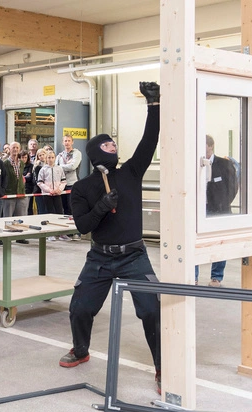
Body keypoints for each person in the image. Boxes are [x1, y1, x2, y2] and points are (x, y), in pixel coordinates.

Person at [63, 81, 163, 395]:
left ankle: (163, 368)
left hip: (134, 255)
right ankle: (81, 350)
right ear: (96, 152)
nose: (114, 147)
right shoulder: (82, 188)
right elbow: (82, 227)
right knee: (80, 307)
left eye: (115, 144)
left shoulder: (131, 172)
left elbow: (150, 139)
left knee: (152, 310)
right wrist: (102, 207)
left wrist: (154, 105)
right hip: (100, 257)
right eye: (108, 145)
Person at [196, 134, 239, 287]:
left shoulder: (224, 164)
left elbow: (233, 187)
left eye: (204, 146)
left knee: (220, 244)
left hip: (220, 210)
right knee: (195, 243)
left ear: (211, 146)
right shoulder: (194, 164)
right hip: (199, 210)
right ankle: (193, 277)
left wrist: (223, 204)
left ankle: (216, 277)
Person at [35, 150, 66, 224]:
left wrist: (59, 189)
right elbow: (40, 182)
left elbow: (63, 181)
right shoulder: (43, 169)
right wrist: (49, 190)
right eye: (49, 157)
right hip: (47, 194)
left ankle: (61, 228)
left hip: (57, 194)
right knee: (50, 212)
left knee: (59, 212)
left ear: (55, 158)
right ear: (46, 158)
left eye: (52, 157)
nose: (51, 159)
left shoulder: (59, 168)